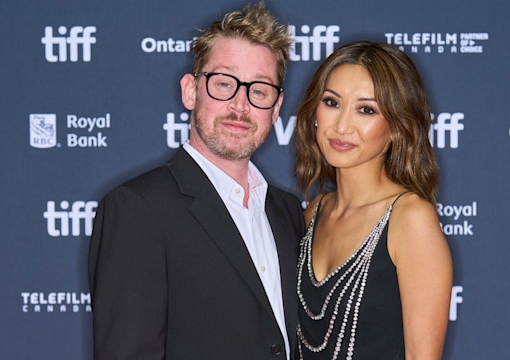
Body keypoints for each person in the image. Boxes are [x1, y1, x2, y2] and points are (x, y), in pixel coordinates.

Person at [88, 3, 304, 359]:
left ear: (276, 108)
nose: (240, 105)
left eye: (260, 90)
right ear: (191, 91)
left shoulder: (287, 211)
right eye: (224, 83)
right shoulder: (137, 208)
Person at [294, 41, 453, 359]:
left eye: (366, 109)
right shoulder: (314, 213)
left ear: (396, 127)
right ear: (315, 113)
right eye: (331, 102)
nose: (341, 126)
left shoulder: (409, 218)